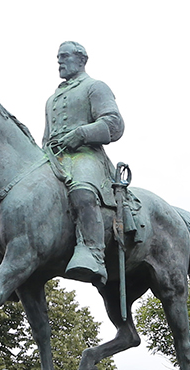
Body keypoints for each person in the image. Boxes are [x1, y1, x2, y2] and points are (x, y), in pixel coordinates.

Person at [44, 41, 123, 285]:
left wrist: (82, 134)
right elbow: (46, 137)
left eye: (65, 56)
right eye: (58, 57)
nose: (59, 61)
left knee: (82, 190)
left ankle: (93, 253)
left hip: (86, 155)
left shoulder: (95, 87)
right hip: (55, 157)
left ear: (81, 60)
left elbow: (114, 124)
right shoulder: (51, 99)